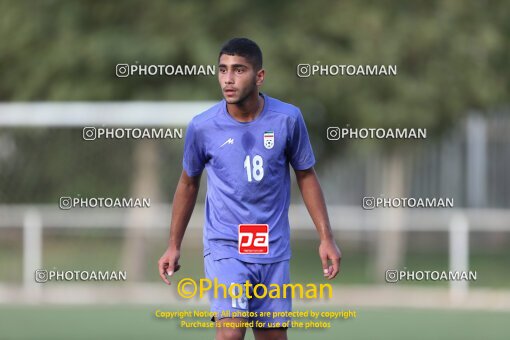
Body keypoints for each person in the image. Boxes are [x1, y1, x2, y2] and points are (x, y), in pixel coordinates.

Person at [158, 37, 341, 340]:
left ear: (259, 76)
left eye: (239, 70)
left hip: (273, 246)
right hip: (225, 245)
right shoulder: (202, 126)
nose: (228, 79)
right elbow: (188, 184)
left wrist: (327, 238)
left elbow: (306, 176)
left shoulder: (288, 119)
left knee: (272, 337)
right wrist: (173, 243)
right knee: (230, 333)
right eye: (222, 69)